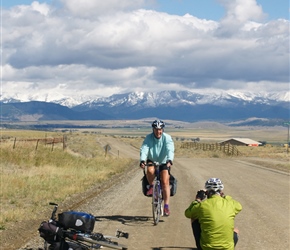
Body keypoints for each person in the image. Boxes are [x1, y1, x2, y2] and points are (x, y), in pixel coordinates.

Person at [184, 178, 242, 250]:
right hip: (227, 248)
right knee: (235, 230)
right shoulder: (230, 204)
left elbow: (188, 213)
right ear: (221, 191)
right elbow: (239, 207)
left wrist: (198, 199)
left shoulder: (202, 205)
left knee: (193, 216)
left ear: (207, 192)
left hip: (206, 248)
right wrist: (224, 196)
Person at [139, 119, 175, 216]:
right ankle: (151, 186)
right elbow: (144, 149)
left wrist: (170, 160)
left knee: (165, 182)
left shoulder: (167, 138)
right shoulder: (148, 138)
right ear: (153, 129)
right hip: (152, 159)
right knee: (150, 171)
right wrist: (142, 160)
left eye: (160, 129)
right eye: (156, 129)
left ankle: (166, 206)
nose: (158, 131)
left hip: (164, 161)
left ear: (162, 130)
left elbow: (170, 149)